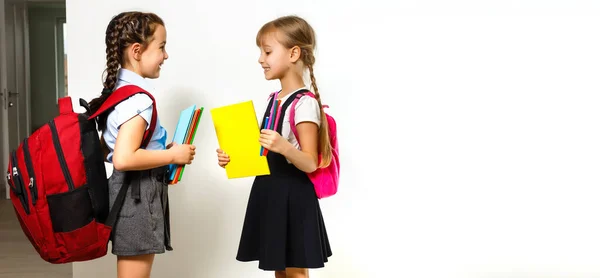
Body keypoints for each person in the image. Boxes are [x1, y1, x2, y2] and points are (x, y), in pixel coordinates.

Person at [216, 15, 333, 278]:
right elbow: (261, 152)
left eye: (267, 51)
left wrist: (284, 147)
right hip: (270, 191)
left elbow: (310, 162)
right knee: (279, 268)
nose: (261, 59)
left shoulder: (304, 103)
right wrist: (232, 156)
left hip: (293, 194)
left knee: (294, 271)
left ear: (294, 53)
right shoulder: (274, 99)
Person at [88, 11, 195, 278]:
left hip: (129, 195)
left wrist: (164, 151)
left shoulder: (119, 92)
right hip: (136, 198)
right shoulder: (138, 101)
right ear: (137, 51)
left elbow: (114, 149)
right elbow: (124, 158)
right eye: (161, 47)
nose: (166, 55)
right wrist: (172, 156)